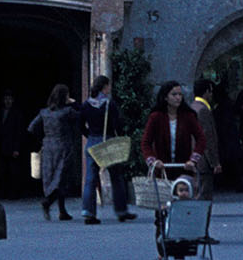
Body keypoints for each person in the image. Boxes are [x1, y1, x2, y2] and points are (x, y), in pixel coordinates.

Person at [78, 74, 136, 224]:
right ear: (105, 87)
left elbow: (80, 125)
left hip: (92, 142)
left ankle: (88, 211)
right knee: (116, 176)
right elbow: (118, 123)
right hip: (108, 142)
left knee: (90, 178)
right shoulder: (109, 104)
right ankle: (121, 210)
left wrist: (90, 135)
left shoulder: (86, 104)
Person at [28, 83, 80, 221]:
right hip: (63, 147)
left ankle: (62, 211)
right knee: (61, 178)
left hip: (48, 148)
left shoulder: (44, 112)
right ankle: (48, 202)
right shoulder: (67, 112)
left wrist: (44, 138)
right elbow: (81, 116)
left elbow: (31, 127)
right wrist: (74, 103)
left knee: (54, 178)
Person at [141, 80, 206, 178]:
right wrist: (153, 161)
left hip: (184, 169)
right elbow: (146, 142)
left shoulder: (188, 116)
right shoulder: (156, 117)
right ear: (165, 97)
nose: (178, 98)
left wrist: (193, 160)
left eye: (180, 94)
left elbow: (201, 138)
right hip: (162, 170)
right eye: (174, 94)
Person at [190, 78, 222, 201]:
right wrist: (215, 162)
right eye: (211, 91)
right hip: (203, 161)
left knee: (197, 192)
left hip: (194, 158)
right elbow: (208, 138)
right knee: (203, 196)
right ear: (206, 92)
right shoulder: (203, 110)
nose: (212, 94)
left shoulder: (192, 107)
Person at [0, 89, 26, 199]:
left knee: (13, 172)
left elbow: (19, 132)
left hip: (12, 147)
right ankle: (3, 192)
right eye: (6, 99)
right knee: (2, 171)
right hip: (2, 147)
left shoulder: (17, 114)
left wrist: (17, 148)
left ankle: (14, 193)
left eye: (9, 99)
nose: (7, 101)